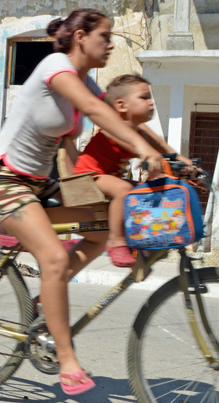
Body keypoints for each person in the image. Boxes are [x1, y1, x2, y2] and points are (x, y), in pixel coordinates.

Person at [0, 9, 164, 396]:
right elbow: (97, 111)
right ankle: (67, 361)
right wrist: (143, 150)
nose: (110, 44)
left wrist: (168, 155)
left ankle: (48, 294)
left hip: (42, 183)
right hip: (3, 181)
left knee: (97, 234)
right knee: (56, 259)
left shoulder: (85, 81)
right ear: (81, 37)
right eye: (105, 36)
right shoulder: (56, 66)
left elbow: (120, 118)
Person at [75, 74, 186, 268]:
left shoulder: (139, 129)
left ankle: (145, 239)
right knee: (124, 190)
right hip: (87, 176)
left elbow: (161, 146)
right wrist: (150, 157)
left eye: (150, 97)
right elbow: (139, 147)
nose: (151, 102)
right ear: (121, 106)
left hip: (108, 177)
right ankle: (116, 242)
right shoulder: (115, 128)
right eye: (144, 98)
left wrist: (187, 163)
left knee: (147, 190)